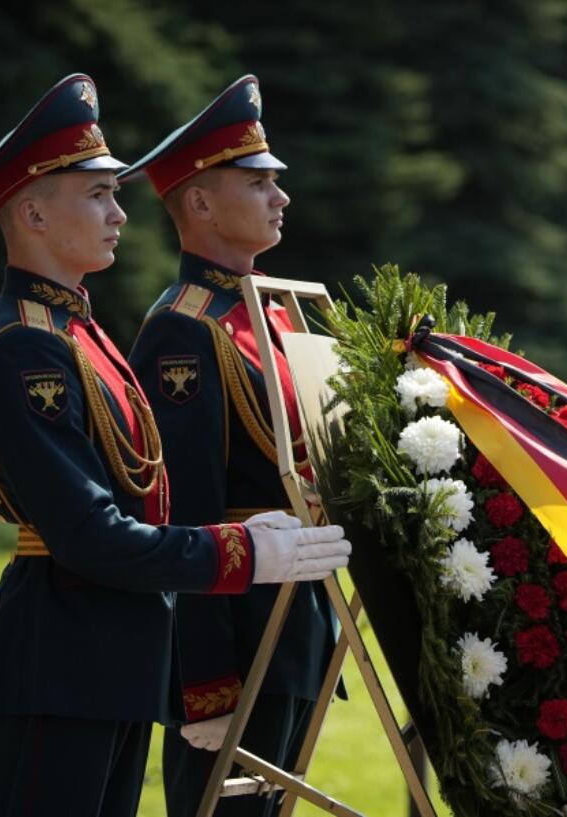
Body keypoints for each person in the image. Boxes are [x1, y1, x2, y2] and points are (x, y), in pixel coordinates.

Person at [0, 74, 351, 817]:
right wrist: (241, 553)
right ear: (34, 210)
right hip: (60, 653)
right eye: (98, 195)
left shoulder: (76, 330)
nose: (121, 213)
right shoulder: (19, 344)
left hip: (115, 648)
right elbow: (87, 532)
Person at [121, 75, 336, 817]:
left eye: (276, 181)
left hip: (298, 616)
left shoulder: (274, 313)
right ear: (202, 203)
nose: (281, 196)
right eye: (258, 182)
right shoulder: (184, 328)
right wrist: (203, 682)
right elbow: (186, 511)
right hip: (239, 633)